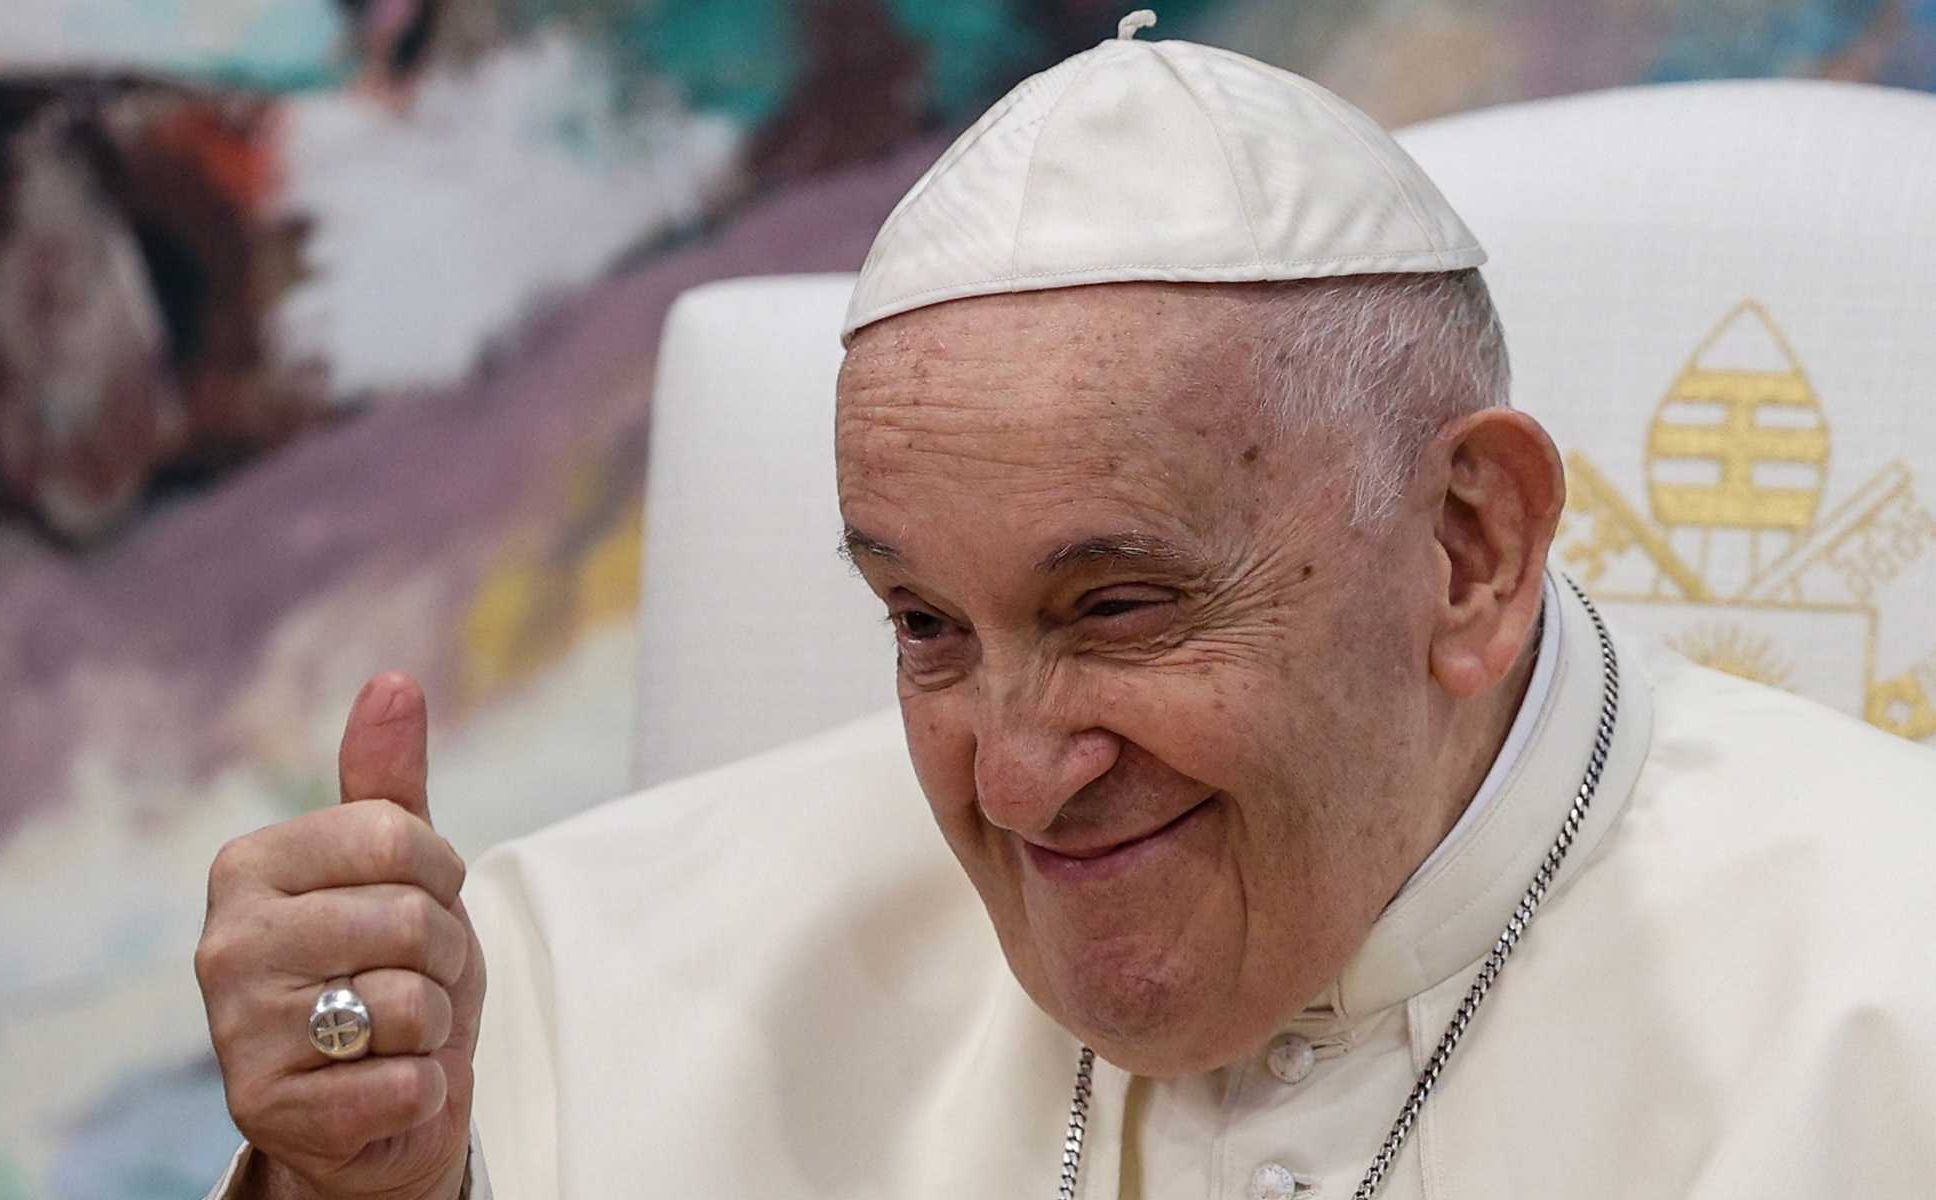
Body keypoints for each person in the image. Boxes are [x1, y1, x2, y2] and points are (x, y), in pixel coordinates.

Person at [197, 13, 1936, 1199]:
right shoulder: (582, 986)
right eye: (925, 628)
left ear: (1470, 547)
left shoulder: (1891, 991)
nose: (1016, 782)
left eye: (1117, 609)